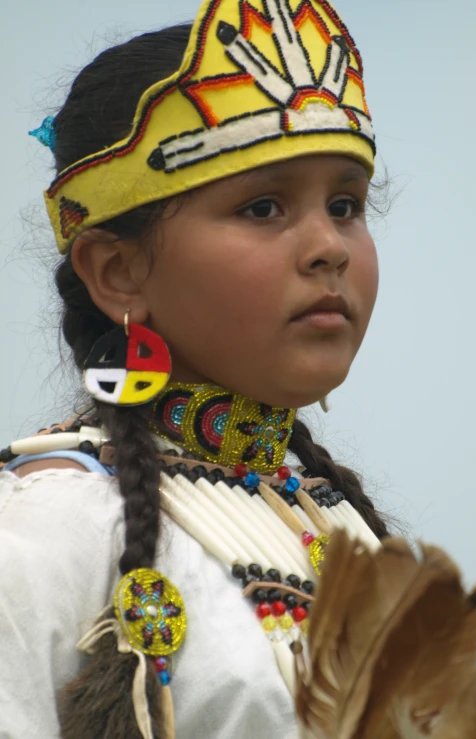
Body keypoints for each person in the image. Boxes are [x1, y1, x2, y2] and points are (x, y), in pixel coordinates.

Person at [0, 0, 390, 736]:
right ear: (117, 270)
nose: (328, 246)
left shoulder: (345, 526)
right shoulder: (45, 530)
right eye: (264, 206)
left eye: (346, 203)